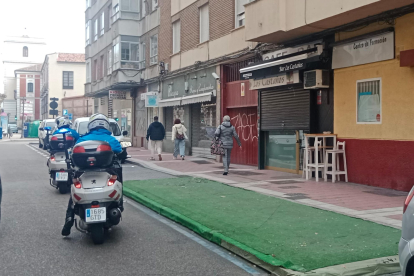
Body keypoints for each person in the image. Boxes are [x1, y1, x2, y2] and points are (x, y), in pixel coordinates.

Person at [61, 113, 122, 237]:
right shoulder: (111, 139)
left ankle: (69, 218)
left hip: (84, 174)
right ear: (106, 125)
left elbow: (74, 152)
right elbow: (119, 150)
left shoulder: (83, 139)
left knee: (73, 195)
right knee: (119, 179)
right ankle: (119, 203)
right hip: (107, 172)